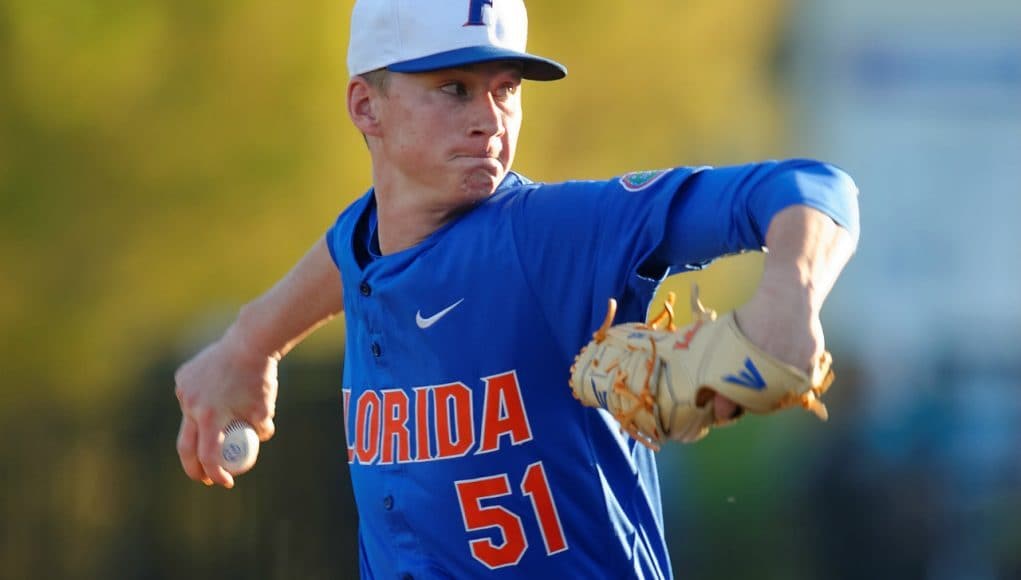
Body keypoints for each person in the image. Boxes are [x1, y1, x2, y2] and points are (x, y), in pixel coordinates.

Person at [174, 0, 860, 577]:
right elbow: (350, 249)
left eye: (506, 89)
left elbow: (812, 188)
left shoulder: (549, 234)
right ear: (366, 106)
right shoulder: (368, 239)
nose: (490, 118)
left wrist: (788, 296)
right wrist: (249, 343)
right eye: (454, 88)